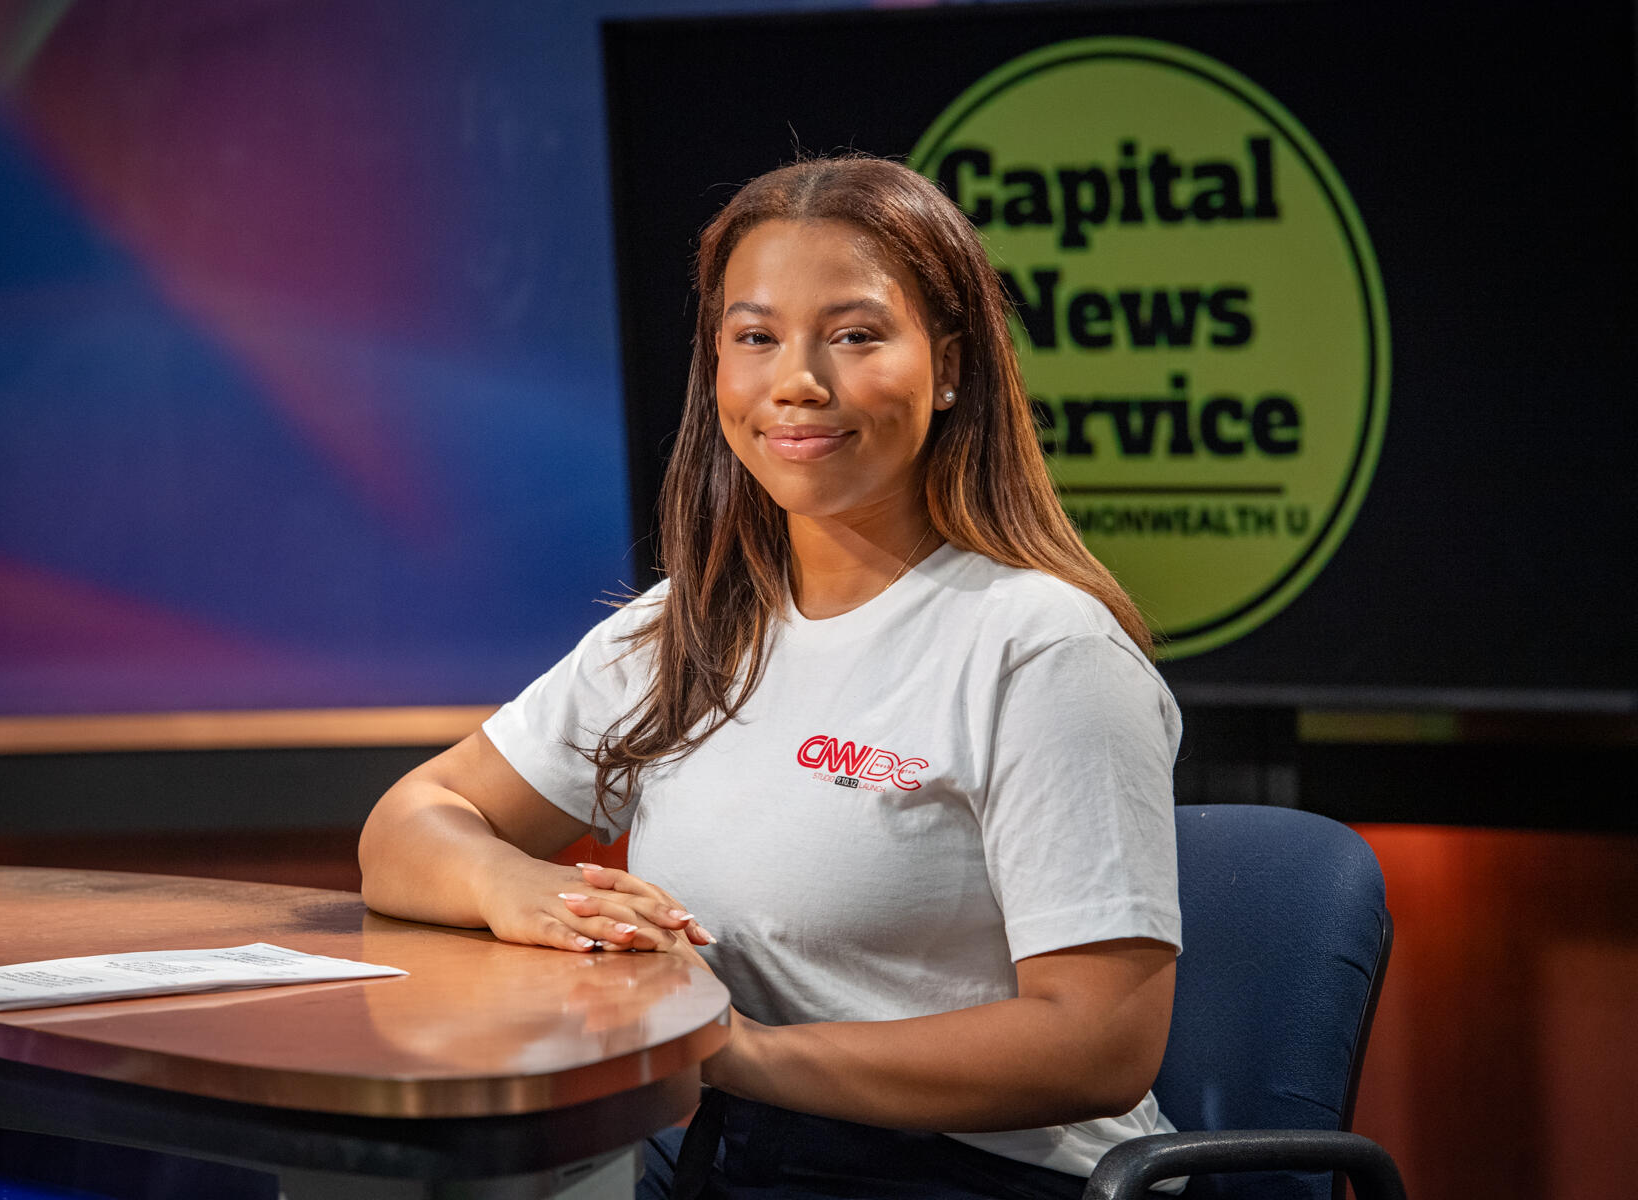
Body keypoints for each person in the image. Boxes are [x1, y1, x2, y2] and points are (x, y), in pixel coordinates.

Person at [358, 154, 1183, 1199]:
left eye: (856, 335)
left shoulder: (1043, 648)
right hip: (712, 1144)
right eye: (756, 338)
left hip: (968, 1177)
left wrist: (732, 1051)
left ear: (953, 366)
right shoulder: (686, 626)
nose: (799, 379)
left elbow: (1098, 1045)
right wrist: (526, 893)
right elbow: (407, 824)